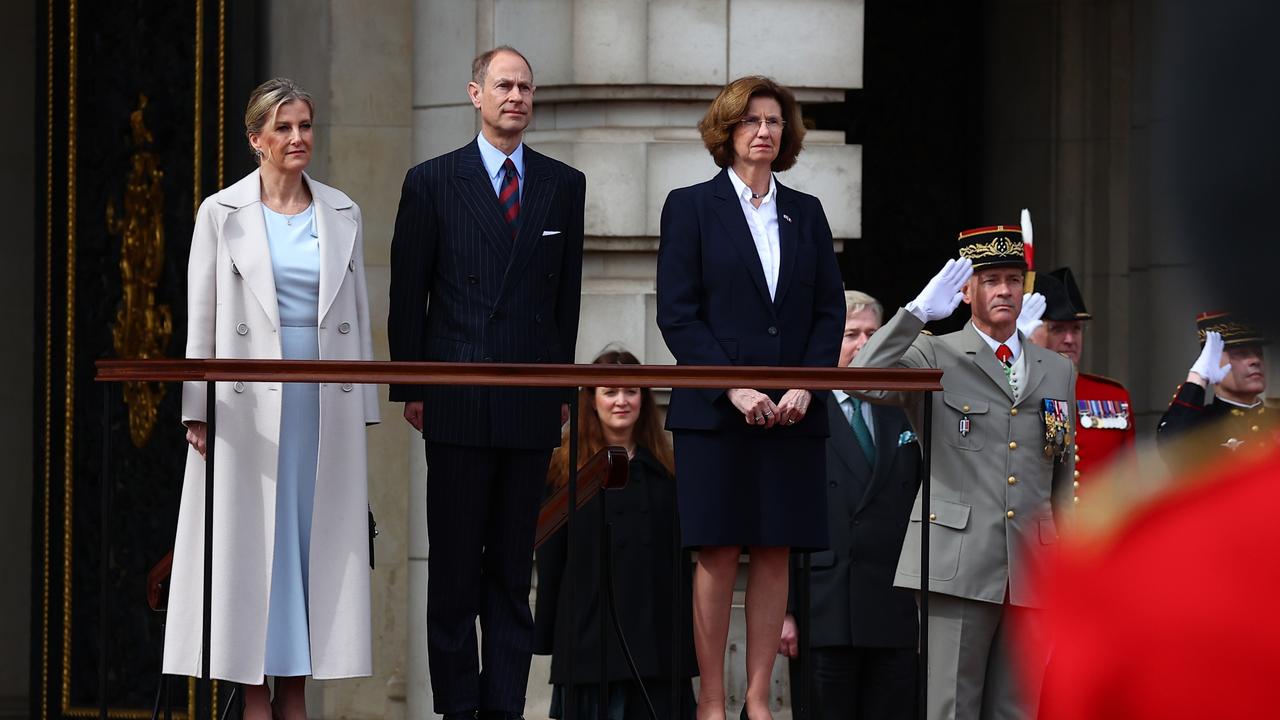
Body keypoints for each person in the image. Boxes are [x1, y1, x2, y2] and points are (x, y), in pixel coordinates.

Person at [164, 78, 380, 720]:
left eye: (306, 126)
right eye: (283, 128)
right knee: (250, 548)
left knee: (310, 547)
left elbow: (358, 314)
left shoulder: (341, 210)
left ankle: (296, 694)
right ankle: (257, 695)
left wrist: (364, 403)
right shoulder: (219, 212)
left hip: (321, 403)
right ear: (256, 139)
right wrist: (195, 406)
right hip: (244, 407)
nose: (297, 139)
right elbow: (200, 315)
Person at [387, 46, 586, 720]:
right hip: (458, 399)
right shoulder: (432, 181)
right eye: (504, 85)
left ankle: (503, 710)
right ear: (475, 93)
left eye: (527, 87)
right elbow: (407, 293)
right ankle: (459, 710)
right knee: (452, 574)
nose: (517, 97)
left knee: (510, 574)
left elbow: (568, 302)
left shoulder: (563, 183)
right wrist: (412, 386)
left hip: (530, 403)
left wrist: (561, 390)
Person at [656, 75, 845, 720]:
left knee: (775, 549)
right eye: (750, 121)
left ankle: (759, 699)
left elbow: (828, 313)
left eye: (773, 122)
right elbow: (677, 315)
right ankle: (712, 699)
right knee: (716, 547)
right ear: (727, 131)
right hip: (716, 411)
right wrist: (730, 386)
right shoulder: (690, 206)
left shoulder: (808, 211)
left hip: (792, 411)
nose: (763, 131)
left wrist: (805, 384)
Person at [851, 226, 1076, 720]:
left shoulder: (1054, 368)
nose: (1004, 291)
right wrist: (914, 314)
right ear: (966, 291)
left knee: (1018, 708)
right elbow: (863, 378)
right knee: (952, 706)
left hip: (1034, 566)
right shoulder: (936, 352)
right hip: (957, 562)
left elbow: (1058, 466)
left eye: (1013, 279)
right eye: (990, 279)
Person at [778, 291, 921, 720]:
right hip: (825, 606)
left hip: (891, 605)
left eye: (873, 334)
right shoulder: (803, 408)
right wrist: (783, 611)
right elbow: (783, 514)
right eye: (851, 334)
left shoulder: (904, 408)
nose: (863, 344)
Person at [533, 348, 697, 719]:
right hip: (590, 643)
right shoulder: (562, 474)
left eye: (632, 391)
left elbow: (682, 567)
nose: (621, 401)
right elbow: (551, 561)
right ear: (591, 401)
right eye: (610, 391)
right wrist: (548, 636)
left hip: (658, 647)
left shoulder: (669, 473)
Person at [1028, 268, 1135, 493]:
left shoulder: (1112, 396)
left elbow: (1130, 481)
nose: (1069, 339)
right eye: (1057, 329)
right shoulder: (1025, 393)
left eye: (1076, 329)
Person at [1156, 312, 1274, 457]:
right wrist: (1198, 377)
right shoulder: (1200, 426)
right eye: (1240, 353)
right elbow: (1171, 448)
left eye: (1259, 353)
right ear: (1211, 361)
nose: (1255, 360)